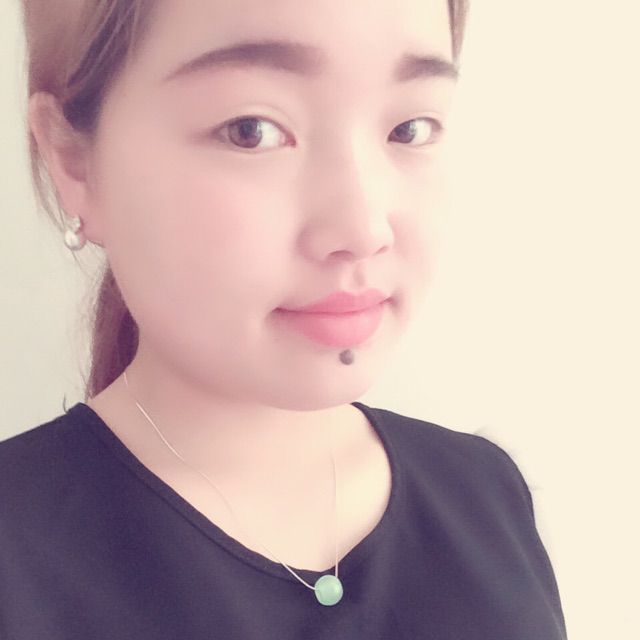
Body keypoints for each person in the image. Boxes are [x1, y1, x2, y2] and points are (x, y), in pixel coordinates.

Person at [0, 0, 567, 638]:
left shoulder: (491, 493)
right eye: (251, 130)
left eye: (409, 129)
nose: (363, 229)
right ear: (74, 162)